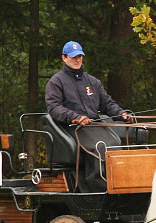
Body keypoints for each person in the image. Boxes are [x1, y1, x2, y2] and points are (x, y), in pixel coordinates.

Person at [45, 40, 133, 191]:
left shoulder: (93, 82)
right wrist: (76, 117)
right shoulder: (56, 82)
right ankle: (99, 189)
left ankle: (120, 185)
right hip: (72, 128)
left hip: (94, 127)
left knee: (115, 144)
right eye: (73, 57)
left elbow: (107, 104)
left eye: (79, 56)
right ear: (64, 58)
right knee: (99, 147)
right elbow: (54, 107)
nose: (77, 60)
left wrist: (121, 114)